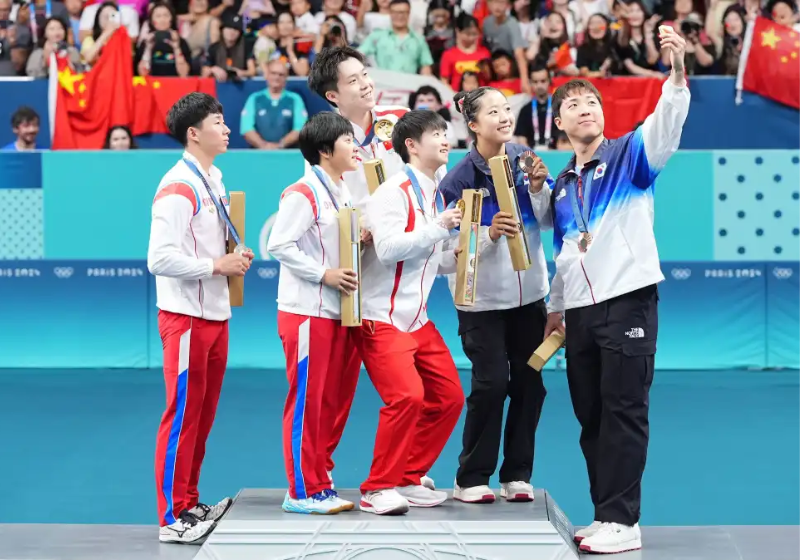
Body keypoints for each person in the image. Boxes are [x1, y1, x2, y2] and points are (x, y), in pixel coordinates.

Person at [544, 25, 690, 554]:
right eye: (574, 105)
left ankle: (624, 522)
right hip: (581, 312)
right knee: (592, 416)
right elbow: (565, 252)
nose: (585, 109)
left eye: (592, 102)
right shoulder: (562, 187)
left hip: (628, 300)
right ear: (558, 123)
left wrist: (676, 73)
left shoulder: (631, 155)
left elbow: (666, 121)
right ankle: (605, 514)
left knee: (624, 411)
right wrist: (556, 308)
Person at [307, 46, 439, 491]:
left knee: (420, 391)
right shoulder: (325, 138)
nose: (365, 84)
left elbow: (428, 179)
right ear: (332, 95)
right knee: (336, 387)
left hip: (399, 272)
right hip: (352, 275)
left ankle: (404, 472)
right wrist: (359, 226)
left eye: (365, 74)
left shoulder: (398, 123)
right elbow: (324, 205)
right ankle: (316, 475)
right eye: (353, 80)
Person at [437, 86, 553, 505]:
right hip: (481, 305)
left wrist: (538, 189)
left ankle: (517, 474)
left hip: (530, 300)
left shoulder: (526, 160)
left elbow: (551, 220)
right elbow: (441, 257)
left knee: (530, 383)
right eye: (493, 112)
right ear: (472, 125)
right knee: (491, 384)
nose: (505, 116)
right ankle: (471, 477)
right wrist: (487, 235)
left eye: (507, 109)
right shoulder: (456, 181)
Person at [147, 93, 254, 544]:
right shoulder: (179, 186)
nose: (227, 129)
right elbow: (158, 258)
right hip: (185, 317)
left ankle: (189, 502)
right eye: (218, 122)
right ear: (194, 133)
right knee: (183, 415)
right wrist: (216, 265)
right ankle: (172, 517)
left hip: (214, 313)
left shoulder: (213, 178)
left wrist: (233, 255)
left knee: (202, 415)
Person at [356, 110, 465, 514]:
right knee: (406, 397)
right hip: (381, 317)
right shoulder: (392, 192)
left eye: (445, 132)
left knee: (449, 397)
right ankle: (376, 488)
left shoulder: (436, 193)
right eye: (435, 133)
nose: (445, 139)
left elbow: (433, 258)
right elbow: (387, 250)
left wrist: (472, 248)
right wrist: (439, 227)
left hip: (416, 319)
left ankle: (408, 475)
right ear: (411, 145)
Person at [266, 112, 361, 515]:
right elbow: (278, 244)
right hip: (307, 312)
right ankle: (302, 490)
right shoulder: (303, 192)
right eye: (347, 141)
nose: (355, 147)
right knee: (307, 401)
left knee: (330, 402)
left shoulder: (342, 190)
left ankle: (320, 477)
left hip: (337, 311)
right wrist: (324, 274)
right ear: (325, 150)